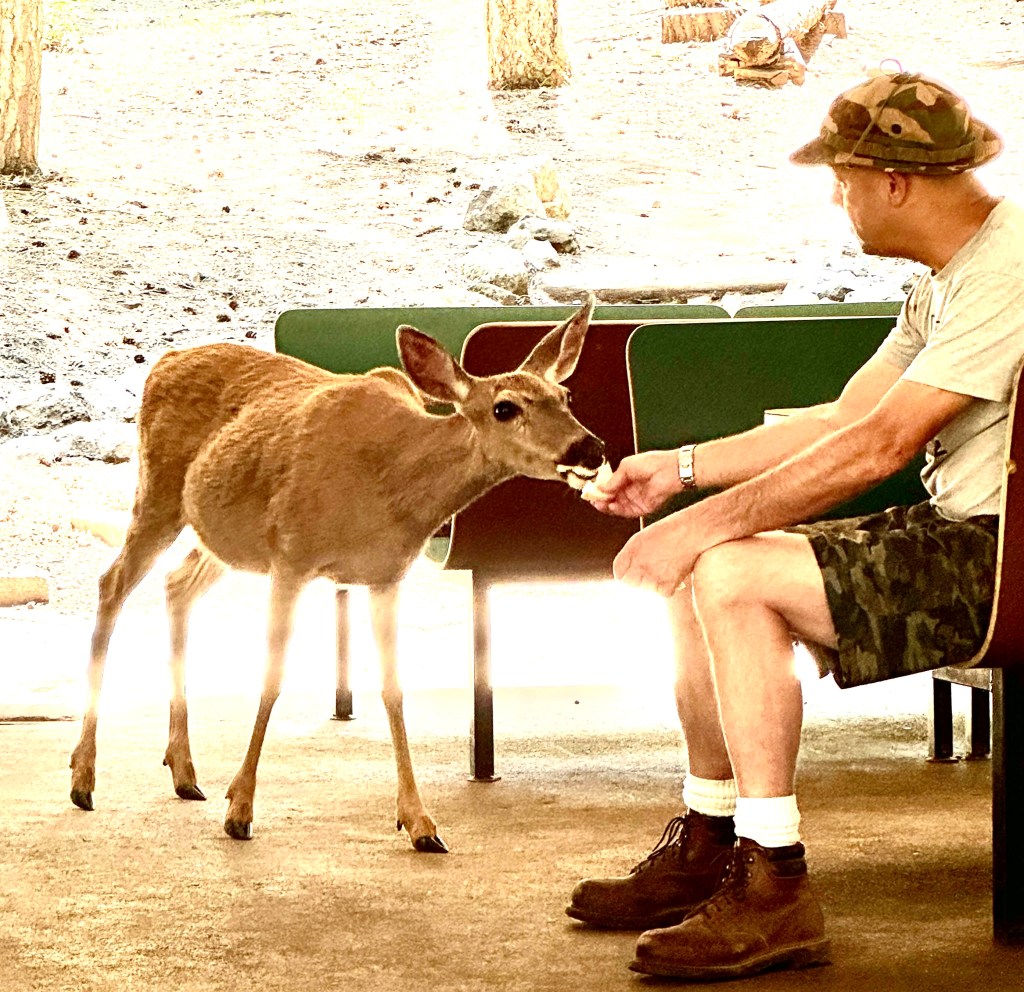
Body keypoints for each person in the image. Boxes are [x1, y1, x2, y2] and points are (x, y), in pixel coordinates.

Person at [567, 68, 1023, 981]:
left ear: (893, 181)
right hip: (963, 538)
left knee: (727, 567)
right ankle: (712, 835)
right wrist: (682, 470)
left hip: (1003, 559)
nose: (836, 199)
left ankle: (776, 881)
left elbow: (880, 446)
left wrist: (696, 526)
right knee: (706, 566)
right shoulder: (951, 276)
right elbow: (848, 416)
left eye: (842, 180)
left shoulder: (1010, 268)